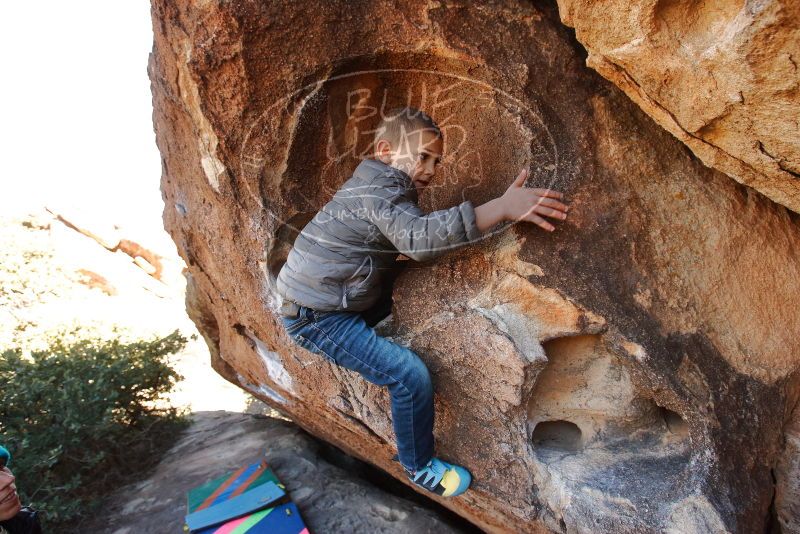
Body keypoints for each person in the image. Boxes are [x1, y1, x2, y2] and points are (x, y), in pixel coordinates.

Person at [275, 106, 569, 497]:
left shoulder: (373, 185)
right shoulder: (380, 191)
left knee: (406, 285)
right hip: (318, 317)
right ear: (384, 151)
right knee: (409, 376)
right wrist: (501, 207)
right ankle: (419, 465)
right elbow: (418, 240)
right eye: (421, 157)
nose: (430, 169)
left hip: (329, 294)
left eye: (436, 160)